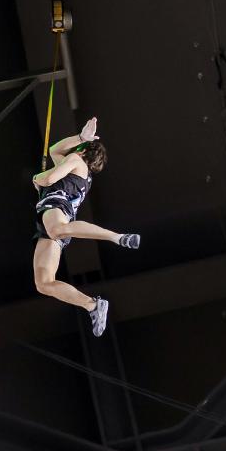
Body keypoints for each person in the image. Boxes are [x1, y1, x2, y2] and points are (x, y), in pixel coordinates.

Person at [32, 117, 139, 337]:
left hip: (56, 211)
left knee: (56, 229)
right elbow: (54, 150)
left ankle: (115, 237)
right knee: (44, 283)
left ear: (81, 151)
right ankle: (92, 305)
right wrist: (81, 137)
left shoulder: (75, 160)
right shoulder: (83, 175)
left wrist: (37, 178)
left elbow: (49, 178)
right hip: (55, 219)